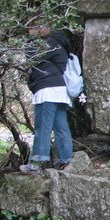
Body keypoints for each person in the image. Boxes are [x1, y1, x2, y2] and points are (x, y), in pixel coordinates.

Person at [23, 25, 73, 171]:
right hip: (60, 89)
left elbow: (30, 56)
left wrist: (32, 38)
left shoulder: (48, 44)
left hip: (47, 90)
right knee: (61, 127)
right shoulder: (59, 42)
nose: (30, 31)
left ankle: (37, 163)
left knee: (42, 127)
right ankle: (66, 160)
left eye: (34, 28)